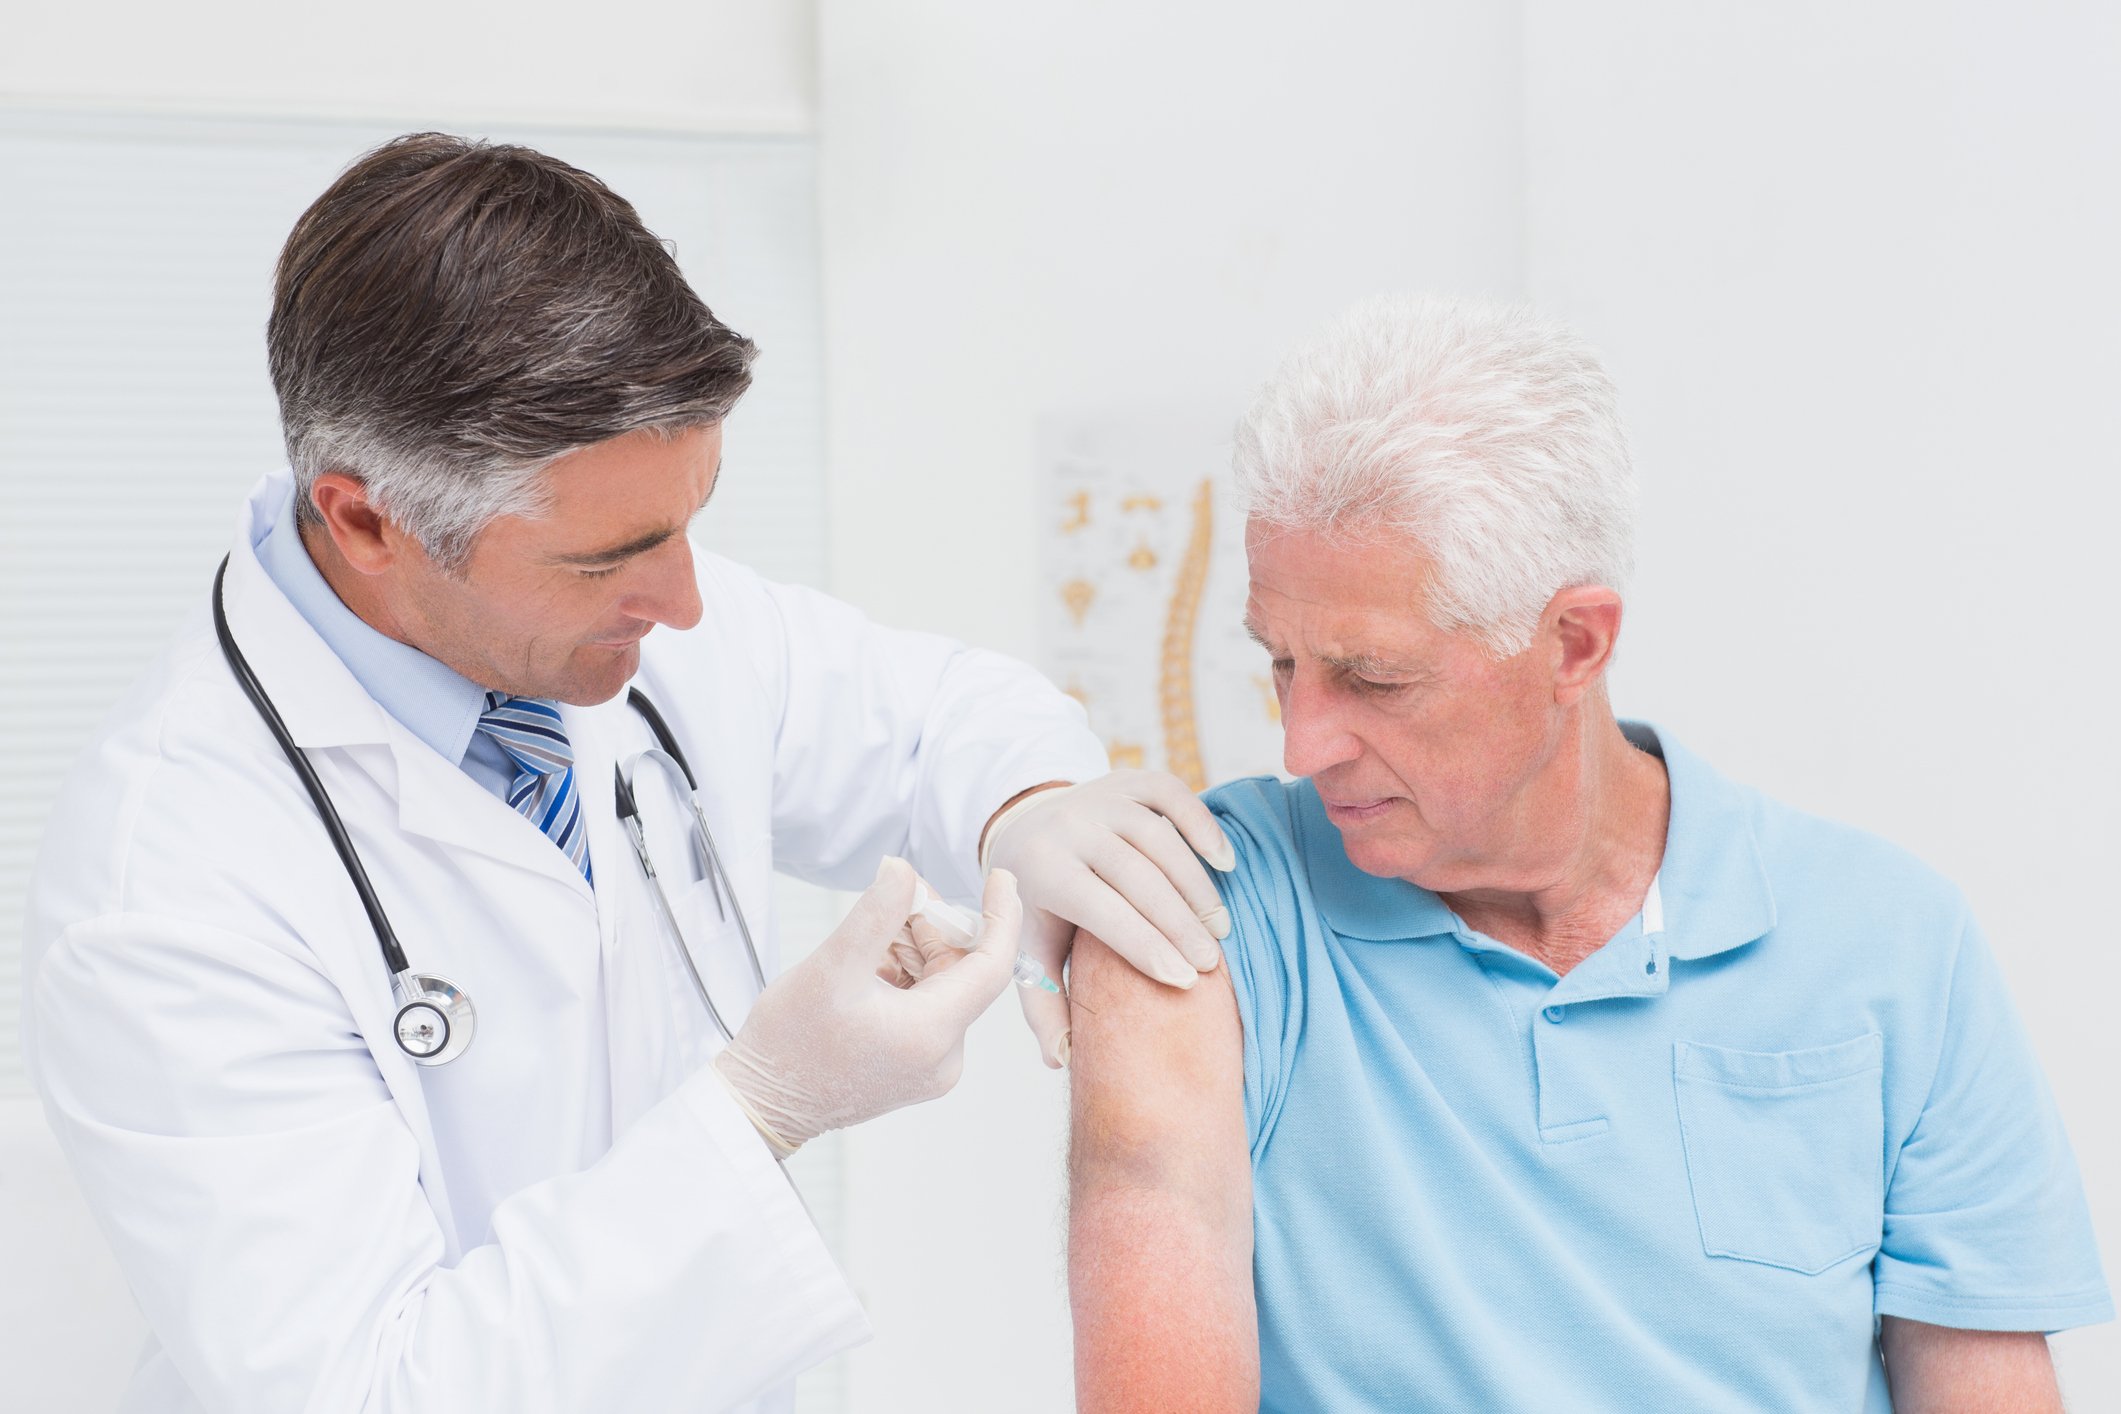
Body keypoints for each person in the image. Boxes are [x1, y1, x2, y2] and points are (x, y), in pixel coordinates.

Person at [22, 133, 1231, 1414]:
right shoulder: (163, 892)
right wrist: (764, 1105)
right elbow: (369, 1390)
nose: (689, 600)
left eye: (693, 517)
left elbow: (932, 716)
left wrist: (1023, 807)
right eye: (613, 556)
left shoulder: (613, 624)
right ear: (367, 521)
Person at [1066, 294, 2112, 1412]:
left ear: (1574, 642)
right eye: (1280, 662)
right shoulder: (1201, 906)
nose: (1302, 740)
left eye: (1373, 678)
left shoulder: (1894, 941)